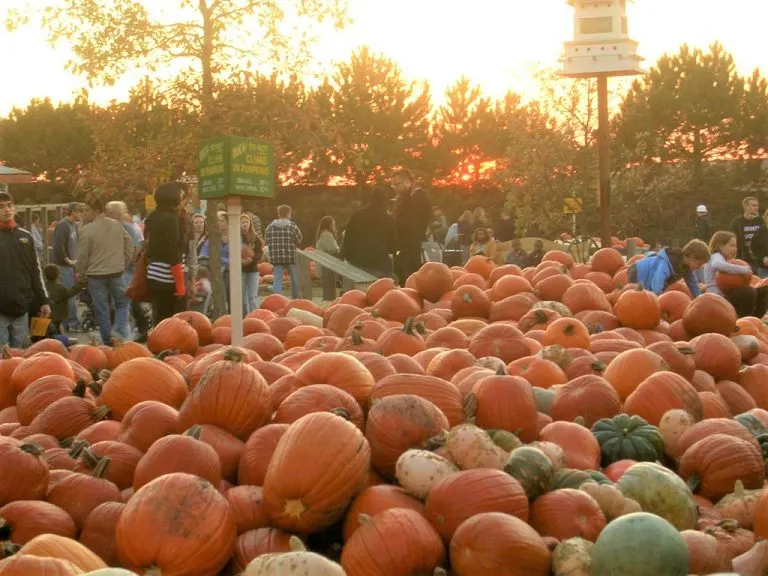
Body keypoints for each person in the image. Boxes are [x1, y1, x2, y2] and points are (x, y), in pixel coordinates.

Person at [76, 197, 133, 345]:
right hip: (116, 272)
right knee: (122, 302)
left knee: (101, 308)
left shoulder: (87, 230)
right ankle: (119, 330)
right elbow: (129, 244)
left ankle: (108, 340)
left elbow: (82, 256)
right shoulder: (117, 225)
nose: (84, 213)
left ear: (95, 211)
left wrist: (81, 274)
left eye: (87, 210)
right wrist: (124, 262)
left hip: (95, 275)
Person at [0, 191, 50, 347]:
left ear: (14, 208)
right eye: (1, 207)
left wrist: (44, 300)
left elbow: (36, 271)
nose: (6, 210)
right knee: (3, 356)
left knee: (21, 355)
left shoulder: (26, 237)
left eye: (9, 206)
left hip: (21, 306)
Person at [144, 183, 188, 325]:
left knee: (160, 317)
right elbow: (172, 252)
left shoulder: (154, 216)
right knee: (171, 322)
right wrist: (180, 284)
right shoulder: (170, 219)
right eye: (181, 196)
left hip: (154, 274)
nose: (184, 200)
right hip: (168, 277)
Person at [107, 201, 148, 342]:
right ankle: (133, 330)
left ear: (114, 214)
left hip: (124, 270)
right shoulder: (115, 227)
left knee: (124, 301)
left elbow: (137, 247)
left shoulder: (127, 227)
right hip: (118, 269)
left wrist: (127, 262)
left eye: (109, 212)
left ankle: (124, 332)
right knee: (126, 301)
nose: (107, 215)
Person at [704, 230, 768, 318]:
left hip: (727, 295)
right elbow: (717, 264)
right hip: (718, 299)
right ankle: (744, 319)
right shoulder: (716, 256)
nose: (735, 249)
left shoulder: (726, 259)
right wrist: (743, 270)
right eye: (732, 245)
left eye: (736, 246)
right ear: (720, 246)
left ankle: (756, 319)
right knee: (748, 291)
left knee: (763, 290)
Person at [342, 187, 398, 279]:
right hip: (379, 266)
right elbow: (393, 247)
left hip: (356, 263)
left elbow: (347, 239)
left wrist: (346, 256)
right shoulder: (389, 219)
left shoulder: (357, 214)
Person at [628, 239, 710, 296]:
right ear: (692, 257)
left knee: (646, 294)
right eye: (699, 264)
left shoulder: (686, 268)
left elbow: (693, 284)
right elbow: (658, 279)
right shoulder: (668, 261)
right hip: (638, 271)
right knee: (638, 296)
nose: (700, 267)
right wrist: (656, 297)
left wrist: (698, 298)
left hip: (649, 276)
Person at [392, 169, 430, 284]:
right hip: (401, 244)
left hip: (410, 245)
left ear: (408, 182)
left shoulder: (416, 197)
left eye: (397, 184)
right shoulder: (402, 198)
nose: (394, 187)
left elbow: (414, 222)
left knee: (409, 277)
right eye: (392, 184)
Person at [52, 202, 84, 331]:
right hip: (63, 266)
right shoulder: (62, 225)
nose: (82, 215)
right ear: (74, 211)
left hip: (72, 265)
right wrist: (68, 260)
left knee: (72, 295)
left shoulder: (74, 226)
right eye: (80, 212)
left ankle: (69, 323)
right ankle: (72, 323)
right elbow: (58, 246)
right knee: (69, 294)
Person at [265, 205, 303, 299]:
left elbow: (267, 240)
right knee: (295, 280)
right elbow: (299, 239)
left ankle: (277, 300)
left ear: (279, 214)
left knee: (277, 280)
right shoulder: (292, 226)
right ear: (288, 214)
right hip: (291, 257)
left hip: (276, 257)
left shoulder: (270, 227)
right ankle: (295, 299)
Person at [730, 196, 768, 276]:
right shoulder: (737, 223)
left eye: (757, 205)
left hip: (760, 261)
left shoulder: (762, 221)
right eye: (753, 205)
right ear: (746, 206)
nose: (756, 208)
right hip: (744, 258)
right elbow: (732, 240)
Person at [43, 264, 81, 337]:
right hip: (57, 316)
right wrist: (79, 286)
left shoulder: (43, 287)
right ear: (58, 275)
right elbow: (69, 293)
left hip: (45, 315)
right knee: (57, 332)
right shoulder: (60, 288)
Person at [241, 214, 263, 315]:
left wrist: (252, 259)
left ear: (250, 224)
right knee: (242, 296)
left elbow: (259, 252)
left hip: (253, 269)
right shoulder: (236, 237)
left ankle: (255, 316)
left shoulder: (255, 238)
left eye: (246, 222)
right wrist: (240, 260)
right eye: (242, 222)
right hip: (241, 270)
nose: (245, 224)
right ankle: (244, 316)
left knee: (252, 295)